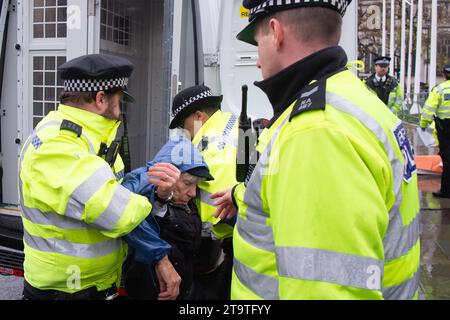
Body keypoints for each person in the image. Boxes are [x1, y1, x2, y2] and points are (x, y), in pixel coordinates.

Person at [212, 0, 420, 300]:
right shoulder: (351, 96)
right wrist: (241, 196)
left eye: (257, 43)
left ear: (275, 31)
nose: (257, 62)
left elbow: (325, 288)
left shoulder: (315, 132)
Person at [19, 53, 180, 300]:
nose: (121, 110)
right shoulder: (56, 145)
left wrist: (144, 192)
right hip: (64, 292)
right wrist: (150, 191)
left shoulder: (93, 139)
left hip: (98, 285)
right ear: (101, 98)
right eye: (119, 100)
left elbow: (121, 195)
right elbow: (119, 214)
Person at [121, 136, 214, 300]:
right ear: (167, 173)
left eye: (196, 185)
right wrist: (160, 199)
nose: (193, 193)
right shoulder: (139, 189)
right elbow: (133, 219)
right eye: (187, 183)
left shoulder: (183, 200)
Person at [169, 85, 238, 299]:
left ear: (199, 116)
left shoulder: (203, 149)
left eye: (183, 125)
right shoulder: (239, 124)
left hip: (221, 235)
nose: (185, 132)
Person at [420, 63, 450, 198]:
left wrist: (423, 124)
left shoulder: (439, 90)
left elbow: (428, 110)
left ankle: (446, 190)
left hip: (445, 128)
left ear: (444, 75)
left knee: (447, 159)